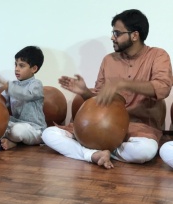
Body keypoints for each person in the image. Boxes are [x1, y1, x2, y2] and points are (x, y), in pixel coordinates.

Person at [42, 9, 172, 169]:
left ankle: (93, 152)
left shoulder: (158, 56)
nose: (112, 37)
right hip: (102, 126)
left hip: (137, 128)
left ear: (135, 35)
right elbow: (99, 100)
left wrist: (123, 83)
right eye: (112, 32)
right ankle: (94, 155)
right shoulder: (108, 60)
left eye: (117, 33)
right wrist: (85, 92)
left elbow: (163, 88)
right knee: (49, 134)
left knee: (145, 151)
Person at [0, 46, 47, 150]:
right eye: (15, 64)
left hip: (34, 129)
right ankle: (14, 141)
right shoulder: (13, 85)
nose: (16, 69)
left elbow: (25, 94)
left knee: (18, 131)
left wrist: (6, 85)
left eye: (21, 66)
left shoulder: (36, 84)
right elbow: (1, 103)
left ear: (34, 68)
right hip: (15, 123)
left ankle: (14, 141)